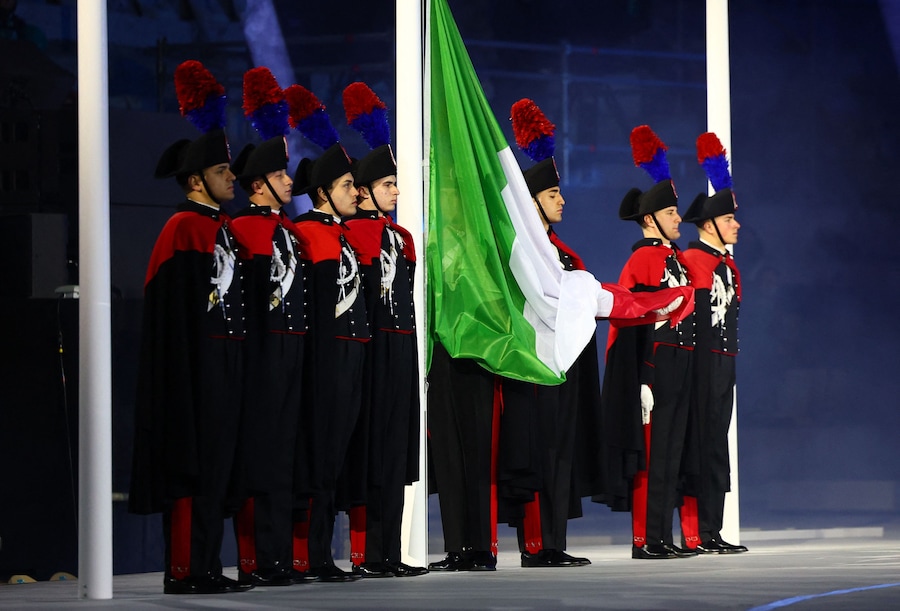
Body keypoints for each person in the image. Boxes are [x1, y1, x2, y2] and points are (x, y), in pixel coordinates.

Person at [128, 60, 252, 595]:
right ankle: (183, 569)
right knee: (190, 466)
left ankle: (207, 564)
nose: (233, 179)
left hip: (226, 365)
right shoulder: (181, 230)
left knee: (219, 469)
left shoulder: (222, 229)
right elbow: (172, 321)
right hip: (193, 371)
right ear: (197, 179)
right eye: (224, 172)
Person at [499, 98, 598, 568]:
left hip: (565, 368)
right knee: (536, 455)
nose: (562, 201)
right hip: (533, 366)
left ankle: (554, 541)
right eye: (554, 194)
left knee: (561, 453)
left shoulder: (567, 254)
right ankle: (536, 545)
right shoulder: (523, 252)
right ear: (534, 200)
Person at [341, 82, 428, 578]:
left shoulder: (404, 238)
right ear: (367, 189)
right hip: (369, 350)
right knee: (368, 450)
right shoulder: (354, 234)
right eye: (390, 184)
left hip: (400, 349)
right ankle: (365, 552)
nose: (397, 192)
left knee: (396, 451)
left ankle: (391, 552)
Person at [601, 125, 698, 560]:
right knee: (651, 456)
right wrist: (639, 377)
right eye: (672, 213)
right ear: (649, 220)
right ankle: (646, 539)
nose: (679, 219)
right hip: (655, 367)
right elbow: (628, 319)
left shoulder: (674, 258)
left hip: (681, 363)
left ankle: (664, 535)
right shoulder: (641, 259)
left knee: (672, 454)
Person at [227, 66, 307, 587]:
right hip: (259, 359)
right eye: (281, 177)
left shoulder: (289, 232)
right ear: (259, 184)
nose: (288, 183)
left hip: (294, 354)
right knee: (256, 459)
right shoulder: (243, 231)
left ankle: (280, 556)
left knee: (286, 459)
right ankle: (254, 559)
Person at [291, 137, 370, 582]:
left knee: (336, 459)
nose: (355, 192)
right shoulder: (307, 233)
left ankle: (324, 552)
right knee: (317, 459)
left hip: (350, 359)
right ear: (323, 192)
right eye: (346, 185)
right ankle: (311, 554)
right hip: (324, 362)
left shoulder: (341, 235)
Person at [679, 132, 747, 555]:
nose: (737, 224)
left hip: (725, 364)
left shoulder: (727, 265)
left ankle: (713, 529)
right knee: (699, 445)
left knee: (717, 444)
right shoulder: (693, 262)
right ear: (709, 225)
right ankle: (697, 531)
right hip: (700, 364)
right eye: (729, 219)